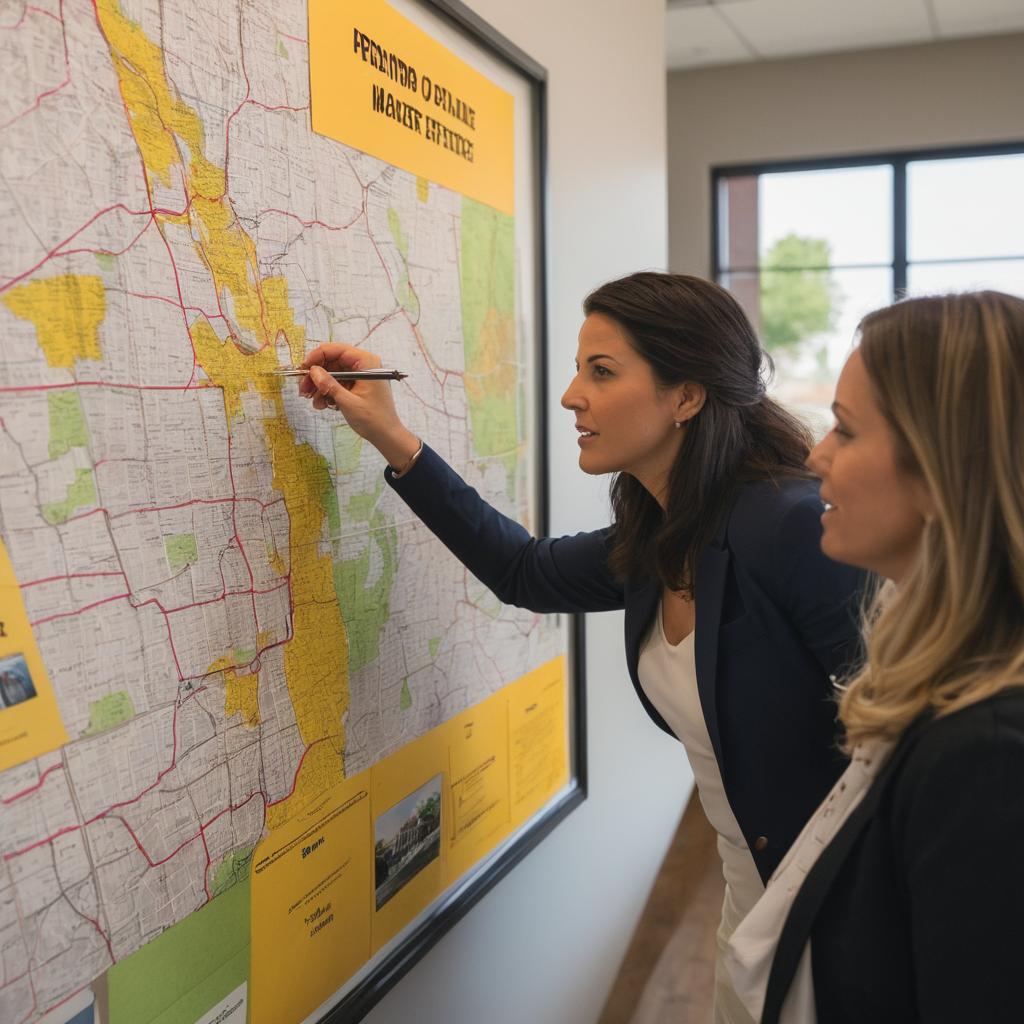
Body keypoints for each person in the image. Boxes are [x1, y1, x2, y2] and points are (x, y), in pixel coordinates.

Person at [300, 272, 864, 1022]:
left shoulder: (785, 526)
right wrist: (389, 435)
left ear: (686, 396)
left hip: (842, 915)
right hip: (750, 905)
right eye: (579, 370)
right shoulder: (663, 533)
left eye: (601, 372)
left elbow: (898, 740)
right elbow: (523, 570)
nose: (571, 396)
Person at [725, 290, 1024, 1023]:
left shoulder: (985, 753)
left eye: (846, 431)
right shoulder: (944, 685)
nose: (815, 453)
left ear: (945, 468)